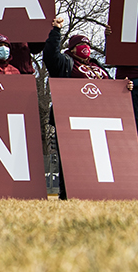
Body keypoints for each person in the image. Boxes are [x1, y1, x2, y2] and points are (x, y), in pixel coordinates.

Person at [43, 15, 131, 198]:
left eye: (88, 46)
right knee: (71, 159)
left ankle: (99, 192)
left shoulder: (97, 66)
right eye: (81, 46)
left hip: (99, 119)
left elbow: (112, 86)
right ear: (73, 49)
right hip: (70, 117)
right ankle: (67, 195)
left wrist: (124, 86)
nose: (86, 49)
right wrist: (56, 32)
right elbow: (50, 55)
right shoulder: (65, 62)